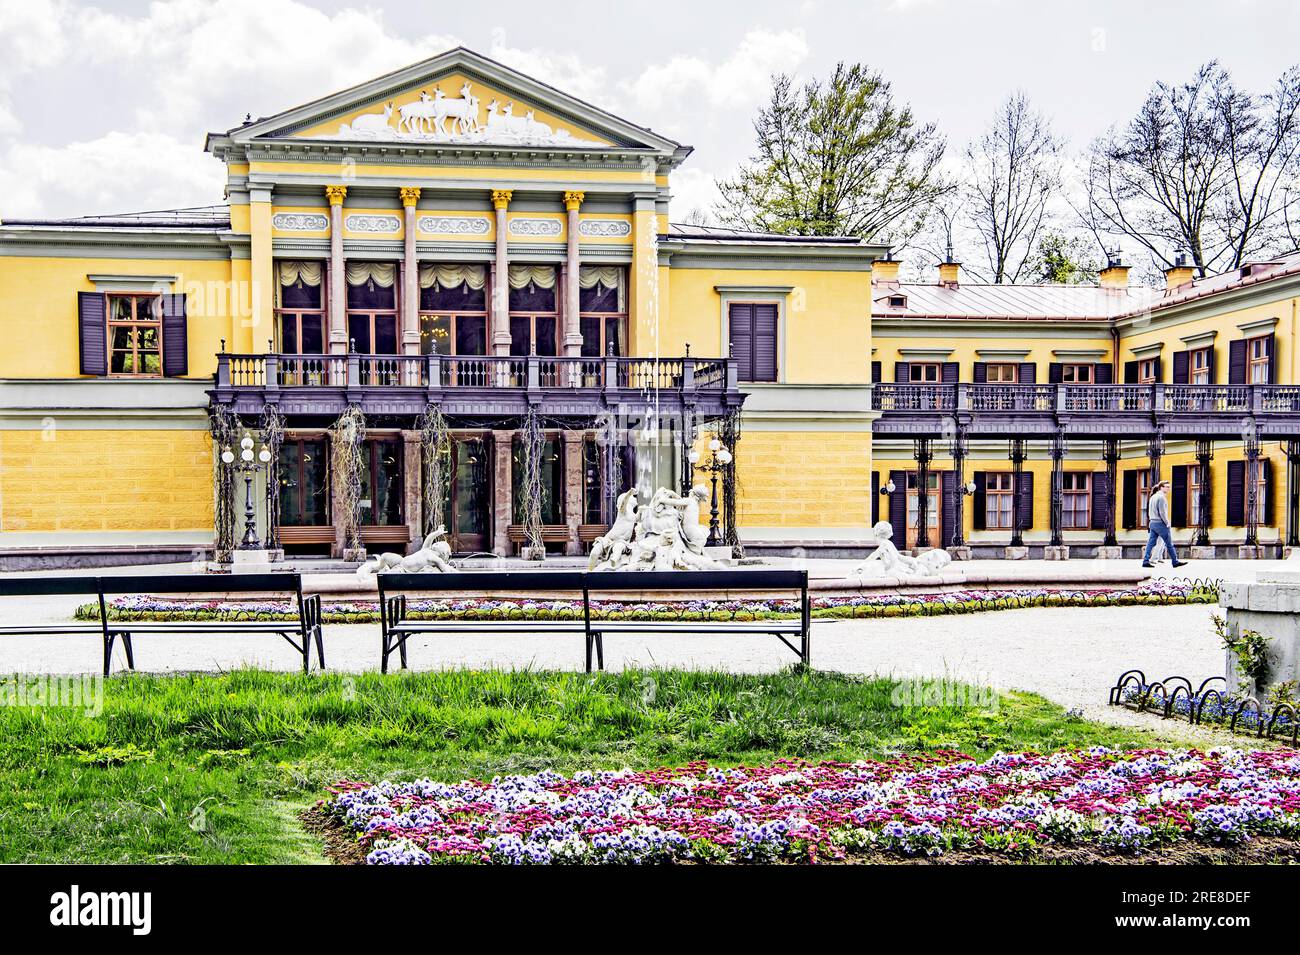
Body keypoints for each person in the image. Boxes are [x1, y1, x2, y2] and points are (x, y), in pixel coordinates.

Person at [1142, 479, 1186, 568]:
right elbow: (1162, 513)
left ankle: (1145, 561)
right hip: (1160, 523)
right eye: (1167, 487)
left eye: (1169, 487)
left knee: (1150, 543)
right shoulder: (1161, 497)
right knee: (1169, 544)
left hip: (1152, 523)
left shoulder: (1153, 497)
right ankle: (1175, 561)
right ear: (1161, 487)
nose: (1169, 489)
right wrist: (1167, 522)